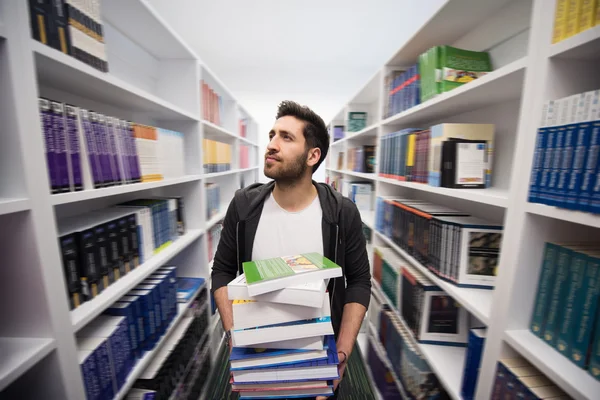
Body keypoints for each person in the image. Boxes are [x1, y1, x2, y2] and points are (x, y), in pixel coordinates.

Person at [211, 100, 372, 399]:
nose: (271, 145)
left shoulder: (341, 213)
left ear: (313, 155)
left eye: (286, 137)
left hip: (316, 360)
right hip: (254, 357)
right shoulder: (244, 206)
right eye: (272, 135)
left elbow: (359, 283)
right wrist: (235, 337)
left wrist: (342, 353)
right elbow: (221, 271)